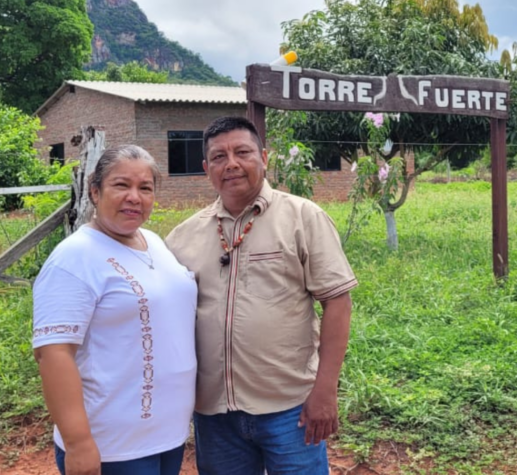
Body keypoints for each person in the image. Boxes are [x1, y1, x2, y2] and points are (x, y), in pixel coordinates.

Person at [165, 116, 357, 475]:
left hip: (290, 409)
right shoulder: (182, 237)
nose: (232, 164)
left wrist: (325, 391)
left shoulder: (303, 218)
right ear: (207, 168)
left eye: (242, 152)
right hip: (213, 414)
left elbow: (337, 302)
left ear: (264, 158)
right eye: (219, 157)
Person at [32, 145, 197, 475]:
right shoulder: (74, 258)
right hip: (112, 446)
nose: (134, 197)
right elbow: (53, 354)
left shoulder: (154, 243)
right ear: (95, 191)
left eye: (145, 188)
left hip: (168, 435)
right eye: (121, 185)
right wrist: (78, 443)